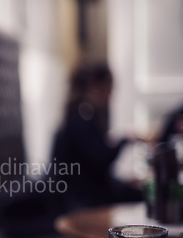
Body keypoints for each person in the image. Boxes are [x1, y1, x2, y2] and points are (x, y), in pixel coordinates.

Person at [52, 61, 142, 210]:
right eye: (110, 89)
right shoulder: (82, 117)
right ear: (96, 86)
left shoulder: (81, 114)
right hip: (84, 198)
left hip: (85, 192)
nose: (111, 96)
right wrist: (125, 140)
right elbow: (100, 160)